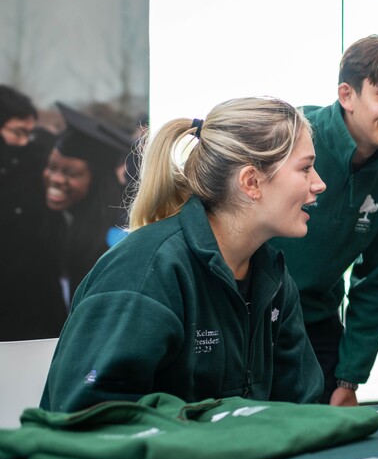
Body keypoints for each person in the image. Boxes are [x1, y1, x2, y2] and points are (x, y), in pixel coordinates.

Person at [42, 96, 327, 412]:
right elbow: (85, 415)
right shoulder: (145, 272)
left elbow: (302, 407)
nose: (319, 184)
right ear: (251, 182)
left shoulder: (273, 279)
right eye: (306, 168)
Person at [271, 35, 378, 406]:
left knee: (330, 431)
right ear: (347, 95)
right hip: (242, 317)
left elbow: (377, 281)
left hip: (316, 323)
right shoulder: (287, 134)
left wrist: (350, 377)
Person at [43, 103, 131, 308]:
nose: (55, 179)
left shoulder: (117, 236)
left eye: (70, 173)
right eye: (51, 167)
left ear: (96, 181)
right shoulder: (51, 218)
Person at [0, 86, 66, 340]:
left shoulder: (37, 162)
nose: (24, 142)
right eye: (17, 132)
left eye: (29, 133)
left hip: (36, 300)